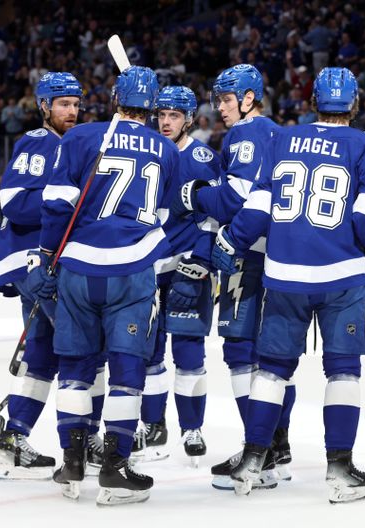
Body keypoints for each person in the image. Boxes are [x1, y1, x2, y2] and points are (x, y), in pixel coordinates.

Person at [211, 67, 365, 503]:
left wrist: (231, 240)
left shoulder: (282, 139)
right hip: (341, 280)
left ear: (314, 101)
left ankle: (254, 460)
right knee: (343, 370)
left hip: (284, 278)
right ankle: (339, 468)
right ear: (353, 103)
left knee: (271, 370)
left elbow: (257, 207)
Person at [34, 65, 179, 506]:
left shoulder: (81, 138)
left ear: (115, 99)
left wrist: (45, 258)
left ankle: (72, 462)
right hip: (132, 272)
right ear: (152, 107)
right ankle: (116, 466)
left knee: (77, 368)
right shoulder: (166, 150)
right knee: (126, 370)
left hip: (79, 269)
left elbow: (57, 204)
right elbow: (163, 212)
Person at [170, 64, 295, 488]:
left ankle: (256, 452)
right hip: (282, 257)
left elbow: (234, 199)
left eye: (226, 99)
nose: (219, 108)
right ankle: (279, 447)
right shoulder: (281, 132)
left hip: (248, 254)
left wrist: (195, 194)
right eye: (217, 100)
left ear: (248, 97)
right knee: (273, 358)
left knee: (242, 353)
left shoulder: (245, 134)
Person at [0, 72, 91, 482]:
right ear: (45, 106)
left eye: (76, 103)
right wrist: (67, 199)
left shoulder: (68, 145)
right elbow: (14, 202)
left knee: (42, 356)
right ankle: (85, 441)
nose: (72, 110)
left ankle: (14, 440)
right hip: (34, 264)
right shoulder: (39, 141)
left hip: (39, 266)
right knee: (82, 348)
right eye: (63, 104)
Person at [132, 85, 223, 465]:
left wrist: (203, 258)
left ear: (189, 119)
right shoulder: (148, 152)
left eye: (174, 115)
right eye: (161, 115)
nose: (165, 122)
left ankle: (192, 427)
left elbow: (217, 212)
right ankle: (154, 425)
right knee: (148, 353)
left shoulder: (202, 158)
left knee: (188, 350)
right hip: (149, 266)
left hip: (188, 267)